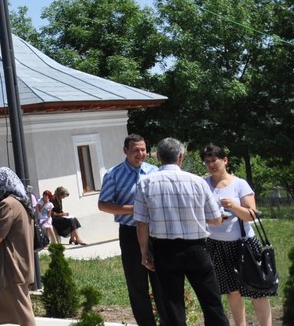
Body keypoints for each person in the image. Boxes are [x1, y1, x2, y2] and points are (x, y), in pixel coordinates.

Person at [135, 137, 229, 326]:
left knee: (172, 305)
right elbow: (216, 219)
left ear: (158, 156)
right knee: (211, 302)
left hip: (165, 249)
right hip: (197, 247)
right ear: (181, 157)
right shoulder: (198, 182)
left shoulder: (145, 183)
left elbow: (141, 223)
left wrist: (145, 252)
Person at [202, 144, 274, 326]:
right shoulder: (203, 184)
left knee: (257, 290)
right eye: (207, 161)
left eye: (214, 160)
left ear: (225, 160)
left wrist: (233, 206)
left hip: (244, 244)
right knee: (231, 291)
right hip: (216, 244)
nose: (211, 164)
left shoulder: (239, 184)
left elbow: (252, 214)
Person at [98, 133, 163, 326]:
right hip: (130, 233)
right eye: (136, 150)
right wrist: (133, 209)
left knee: (162, 281)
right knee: (137, 284)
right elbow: (103, 204)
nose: (140, 154)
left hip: (157, 233)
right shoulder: (114, 174)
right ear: (125, 150)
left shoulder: (155, 171)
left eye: (143, 150)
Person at [0, 168, 36, 326]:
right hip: (22, 260)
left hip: (14, 264)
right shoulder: (21, 201)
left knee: (23, 309)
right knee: (21, 305)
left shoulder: (8, 204)